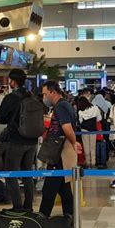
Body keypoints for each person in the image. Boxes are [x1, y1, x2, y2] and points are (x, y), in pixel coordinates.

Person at [0, 69, 38, 212]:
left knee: (11, 173)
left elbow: (0, 118)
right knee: (28, 173)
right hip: (32, 141)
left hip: (16, 140)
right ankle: (28, 206)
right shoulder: (32, 96)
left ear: (12, 81)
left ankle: (18, 206)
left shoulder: (11, 97)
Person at [39, 81, 78, 217]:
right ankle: (69, 216)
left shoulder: (61, 106)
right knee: (64, 188)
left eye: (45, 94)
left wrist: (74, 143)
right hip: (61, 152)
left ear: (53, 92)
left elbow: (67, 127)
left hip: (59, 153)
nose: (44, 97)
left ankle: (42, 218)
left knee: (49, 189)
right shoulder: (64, 105)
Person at [77, 96, 102, 168]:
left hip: (84, 129)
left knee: (86, 147)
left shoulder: (80, 111)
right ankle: (93, 163)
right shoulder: (95, 108)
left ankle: (88, 164)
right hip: (93, 129)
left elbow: (80, 121)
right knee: (92, 147)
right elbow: (99, 118)